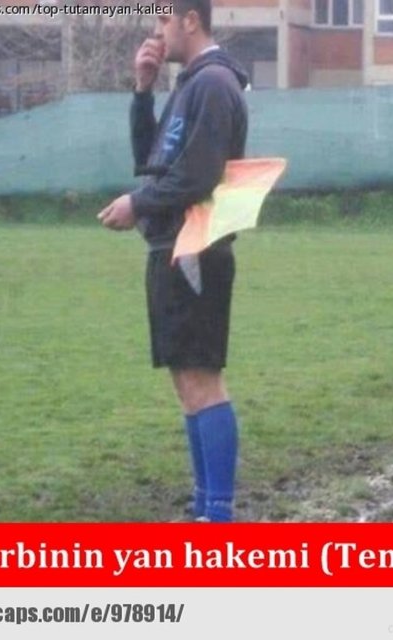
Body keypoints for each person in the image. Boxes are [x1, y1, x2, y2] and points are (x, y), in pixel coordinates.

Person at [97, 0, 249, 522]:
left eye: (164, 19)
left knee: (202, 381)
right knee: (187, 384)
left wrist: (137, 205)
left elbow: (198, 176)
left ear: (190, 20)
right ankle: (205, 507)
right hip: (172, 248)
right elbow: (153, 164)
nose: (157, 30)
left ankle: (219, 515)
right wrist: (143, 91)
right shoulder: (190, 84)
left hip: (195, 249)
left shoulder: (214, 84)